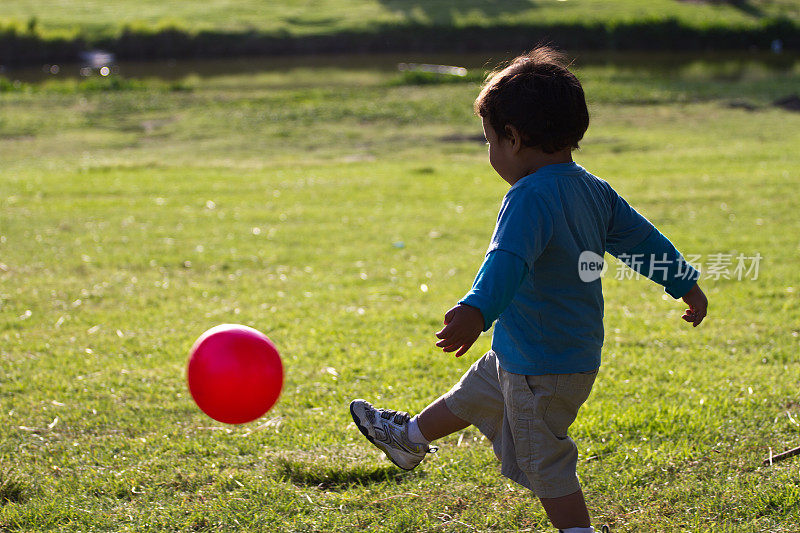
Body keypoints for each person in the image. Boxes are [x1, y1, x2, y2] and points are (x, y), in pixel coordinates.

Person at [350, 46, 708, 533]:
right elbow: (641, 240)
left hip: (542, 364)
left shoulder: (528, 196)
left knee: (544, 461)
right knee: (478, 391)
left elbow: (507, 262)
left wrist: (477, 310)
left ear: (514, 138)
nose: (491, 152)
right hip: (551, 351)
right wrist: (684, 281)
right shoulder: (592, 188)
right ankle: (408, 438)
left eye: (490, 141)